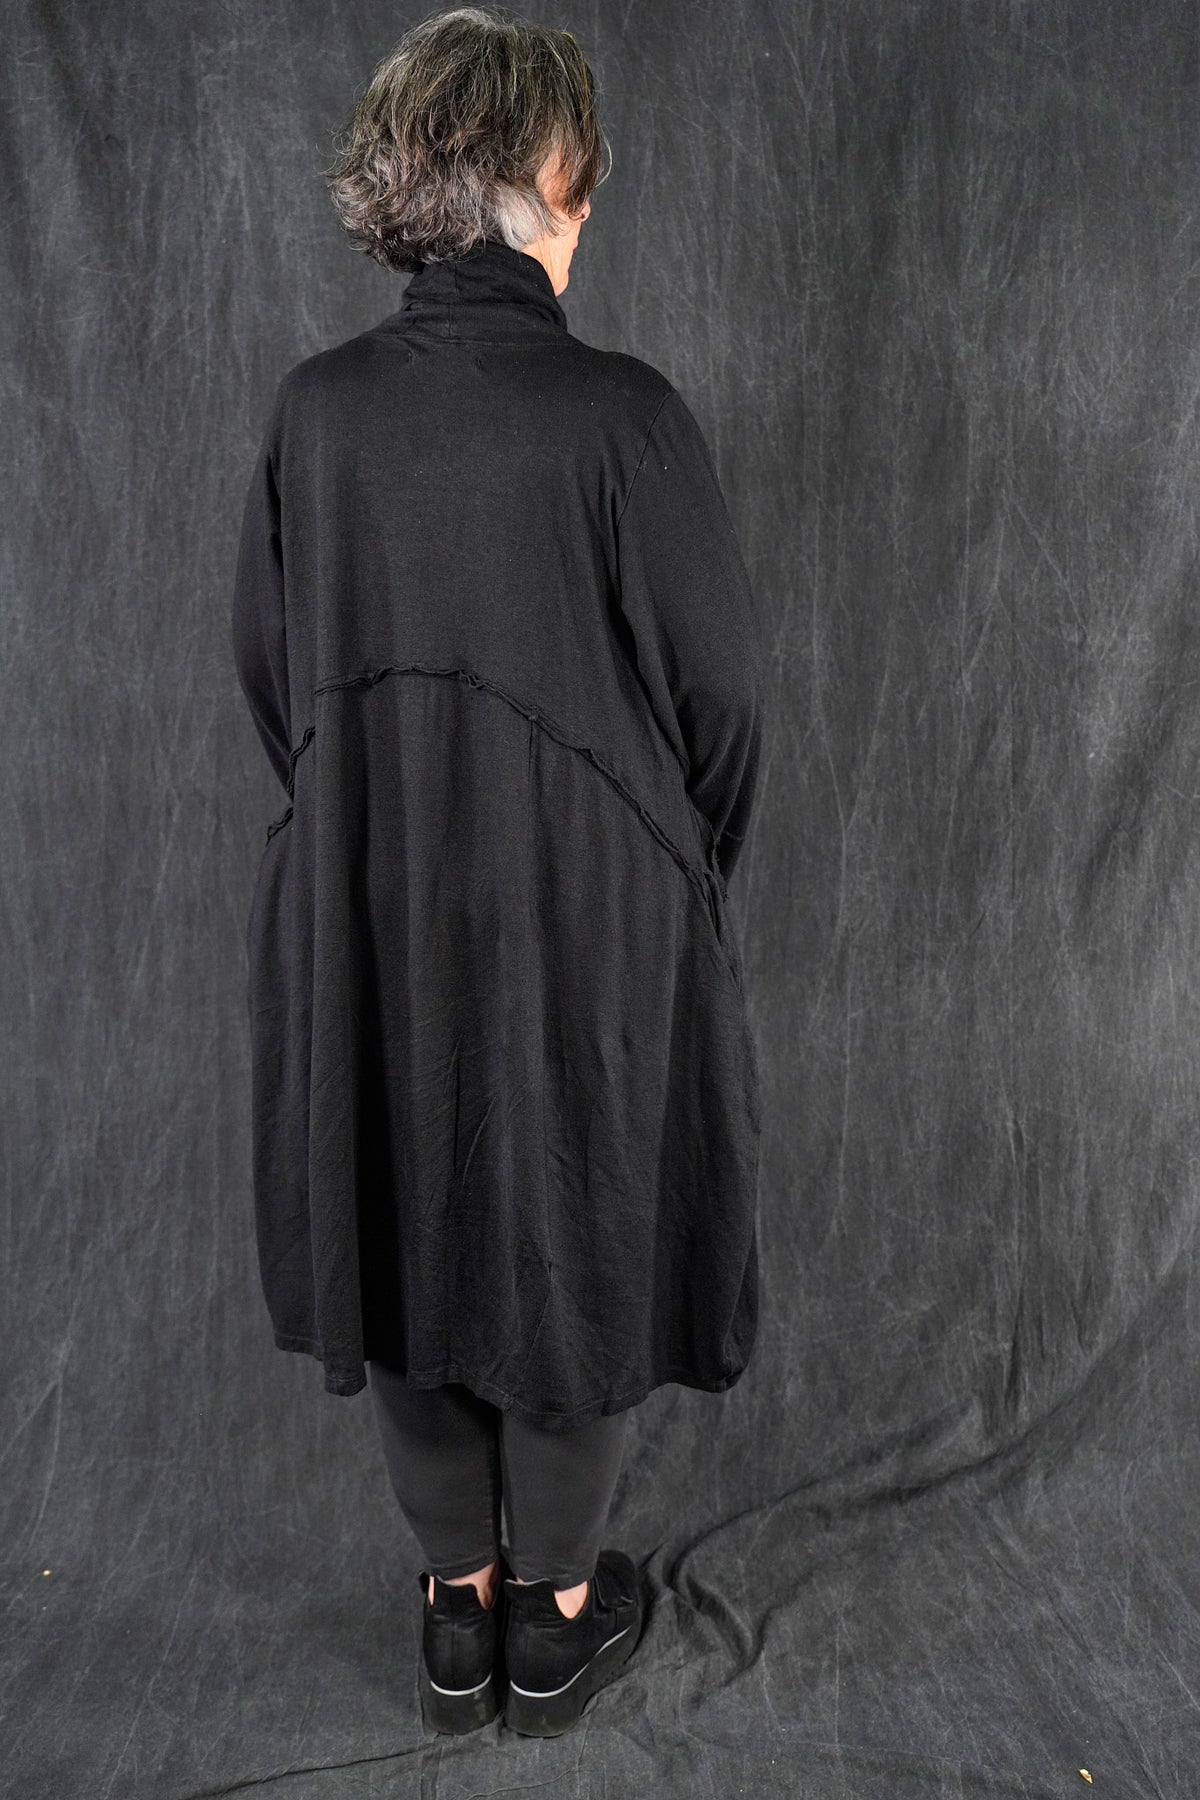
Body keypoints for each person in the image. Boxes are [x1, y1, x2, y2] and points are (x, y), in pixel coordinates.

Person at [230, 4, 768, 1740]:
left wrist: (378, 829)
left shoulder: (317, 416)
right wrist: (668, 875)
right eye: (583, 179)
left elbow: (276, 684)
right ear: (541, 177)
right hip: (590, 909)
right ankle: (555, 1620)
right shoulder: (624, 420)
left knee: (401, 1198)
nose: (589, 210)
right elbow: (724, 707)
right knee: (576, 1217)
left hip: (368, 891)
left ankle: (453, 1616)